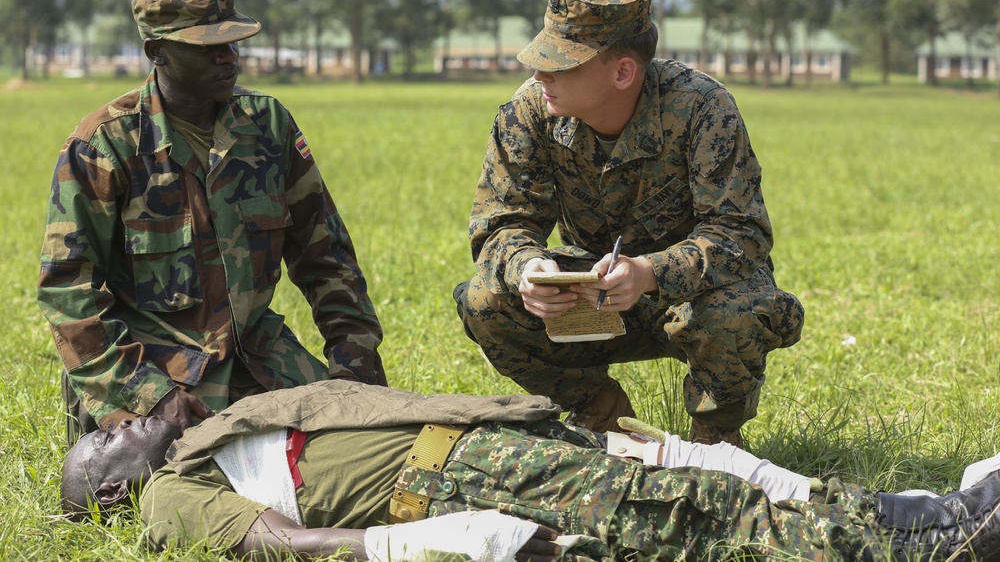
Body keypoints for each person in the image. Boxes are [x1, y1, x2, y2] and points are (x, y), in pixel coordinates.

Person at [61, 379, 1000, 562]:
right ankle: (941, 542)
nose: (121, 423)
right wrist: (434, 544)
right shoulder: (175, 496)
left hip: (485, 448)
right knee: (691, 509)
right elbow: (286, 540)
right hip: (459, 485)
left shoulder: (208, 430)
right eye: (106, 441)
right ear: (113, 487)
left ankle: (912, 516)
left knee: (703, 474)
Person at [453, 0, 805, 446]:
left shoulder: (702, 107)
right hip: (593, 296)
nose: (540, 75)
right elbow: (503, 222)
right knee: (485, 301)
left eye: (560, 63)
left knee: (735, 310)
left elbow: (741, 234)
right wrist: (527, 269)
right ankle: (602, 414)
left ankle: (715, 443)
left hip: (687, 298)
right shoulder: (527, 113)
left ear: (622, 72)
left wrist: (649, 272)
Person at [38, 0, 386, 444]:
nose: (228, 56)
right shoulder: (104, 145)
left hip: (259, 360)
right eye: (206, 47)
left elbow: (327, 257)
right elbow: (67, 291)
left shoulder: (268, 125)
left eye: (233, 42)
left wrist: (355, 374)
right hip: (150, 374)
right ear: (156, 51)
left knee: (352, 446)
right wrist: (151, 395)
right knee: (160, 477)